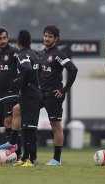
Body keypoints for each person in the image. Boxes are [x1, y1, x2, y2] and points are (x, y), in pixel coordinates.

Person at [37, 25, 78, 166]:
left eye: (50, 36)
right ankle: (23, 155)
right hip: (40, 94)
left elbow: (73, 69)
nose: (47, 38)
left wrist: (64, 89)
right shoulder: (40, 54)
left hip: (53, 95)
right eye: (45, 35)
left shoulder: (58, 54)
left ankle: (56, 159)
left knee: (55, 125)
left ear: (56, 39)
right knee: (21, 112)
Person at [12, 30, 41, 167]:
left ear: (18, 43)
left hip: (29, 94)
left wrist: (22, 86)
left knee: (29, 127)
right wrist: (34, 83)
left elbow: (27, 69)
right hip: (34, 92)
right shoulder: (34, 54)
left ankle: (32, 159)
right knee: (27, 127)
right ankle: (25, 158)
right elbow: (38, 71)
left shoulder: (22, 55)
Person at [0, 27, 22, 159]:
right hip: (2, 94)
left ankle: (18, 153)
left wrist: (19, 83)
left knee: (10, 121)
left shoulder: (14, 52)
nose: (3, 41)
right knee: (6, 124)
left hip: (13, 92)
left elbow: (25, 65)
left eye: (5, 38)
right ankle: (13, 153)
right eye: (0, 38)